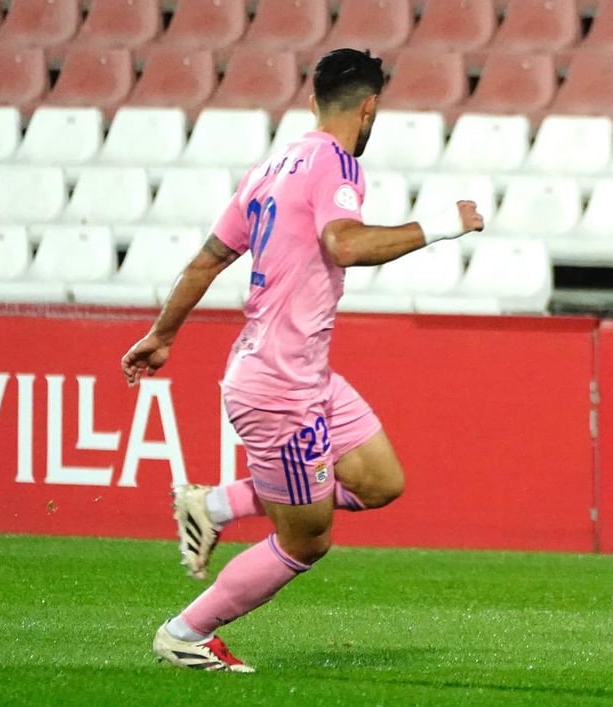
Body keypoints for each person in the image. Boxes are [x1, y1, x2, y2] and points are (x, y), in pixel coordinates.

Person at [121, 48, 484, 672]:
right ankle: (186, 632)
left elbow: (209, 259)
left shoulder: (270, 168)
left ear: (314, 100)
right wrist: (440, 226)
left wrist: (162, 334)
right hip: (279, 387)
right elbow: (342, 243)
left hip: (307, 373)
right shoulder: (336, 163)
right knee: (307, 538)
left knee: (378, 482)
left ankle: (213, 506)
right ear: (370, 107)